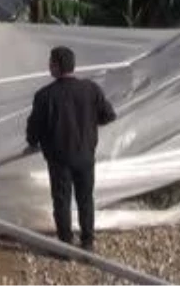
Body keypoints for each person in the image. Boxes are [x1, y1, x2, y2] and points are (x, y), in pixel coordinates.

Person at [24, 46, 117, 251]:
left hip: (59, 158)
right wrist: (89, 122)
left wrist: (32, 143)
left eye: (50, 62)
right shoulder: (91, 89)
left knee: (62, 200)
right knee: (85, 198)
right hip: (85, 154)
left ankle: (66, 245)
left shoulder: (45, 96)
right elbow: (109, 115)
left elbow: (34, 129)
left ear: (57, 66)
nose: (48, 66)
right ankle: (88, 241)